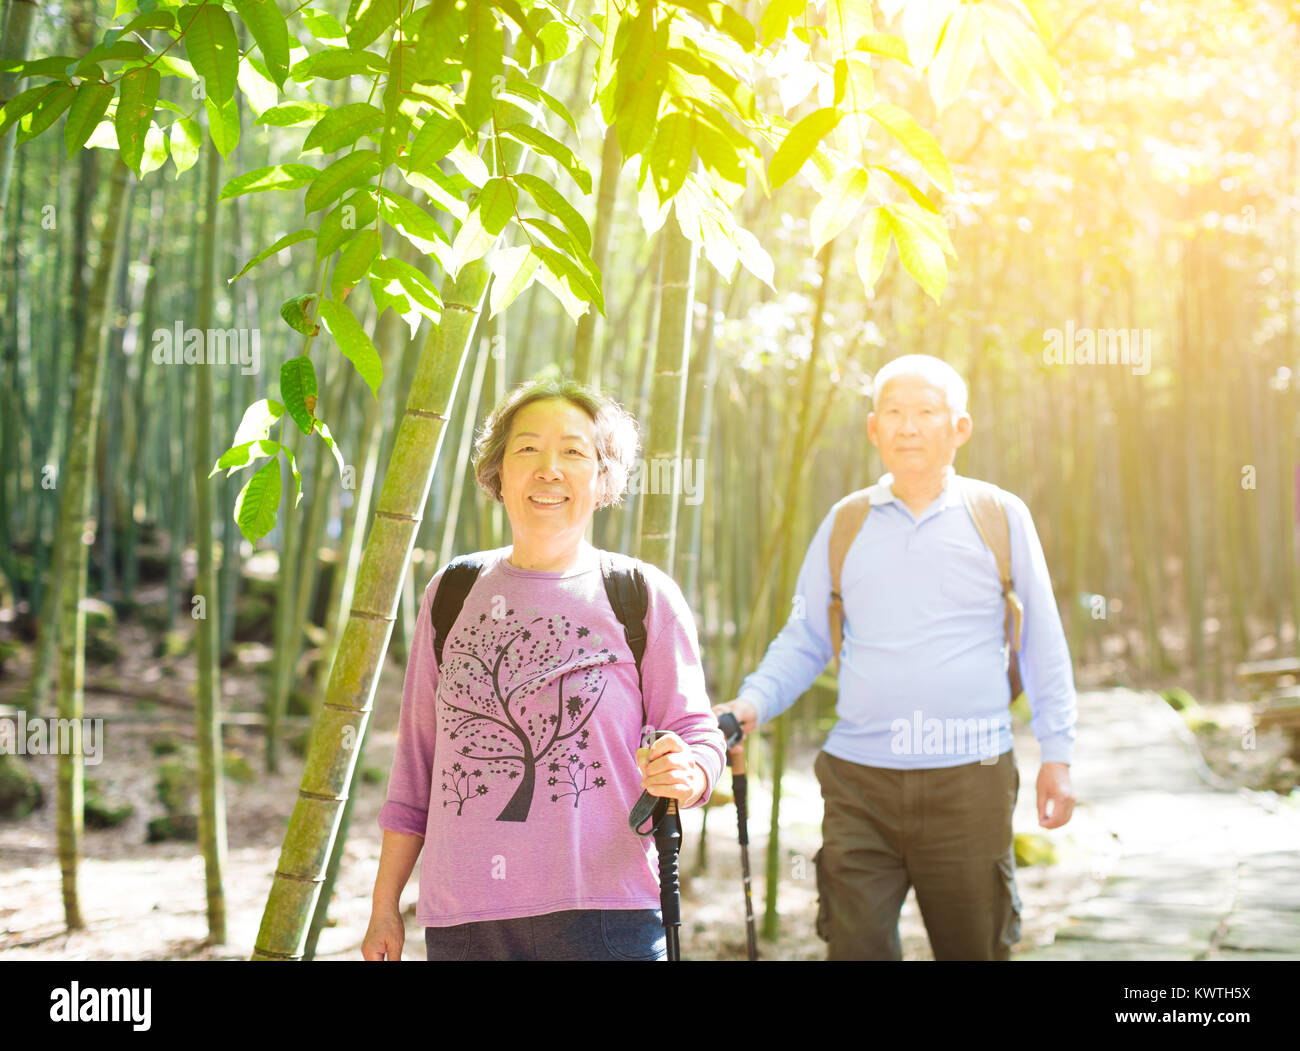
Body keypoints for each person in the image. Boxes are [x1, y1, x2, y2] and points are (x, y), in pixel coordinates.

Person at [714, 354, 1077, 961]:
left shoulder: (998, 515)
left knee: (975, 950)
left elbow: (1042, 642)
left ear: (959, 428)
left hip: (971, 779)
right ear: (873, 428)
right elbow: (805, 638)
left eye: (926, 412)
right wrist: (752, 703)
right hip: (859, 784)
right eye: (895, 413)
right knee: (856, 950)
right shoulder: (845, 523)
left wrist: (1057, 755)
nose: (909, 427)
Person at [363, 377, 725, 961]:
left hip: (607, 916)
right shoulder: (452, 591)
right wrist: (384, 905)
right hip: (467, 921)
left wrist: (691, 773)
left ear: (603, 477)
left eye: (575, 451)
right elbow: (417, 764)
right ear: (497, 472)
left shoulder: (639, 594)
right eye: (527, 448)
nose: (549, 468)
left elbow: (696, 732)